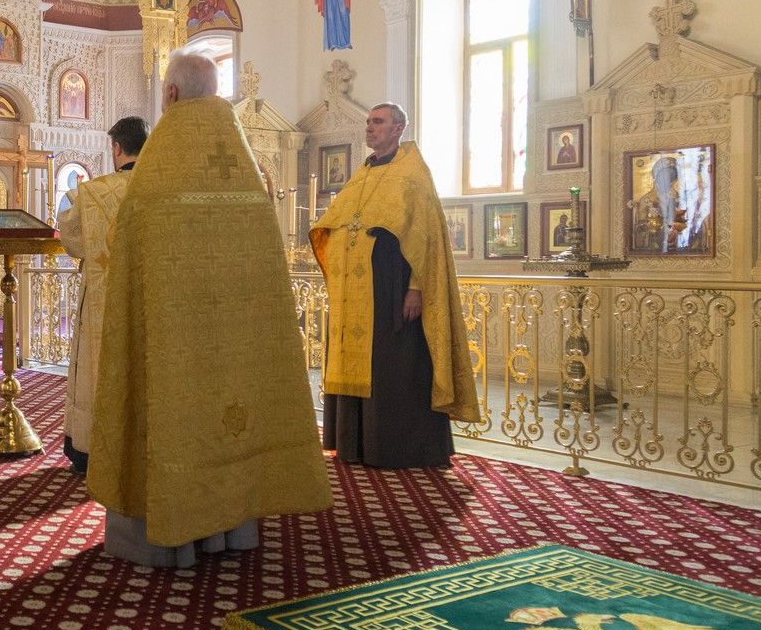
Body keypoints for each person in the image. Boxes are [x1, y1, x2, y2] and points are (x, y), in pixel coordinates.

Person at [88, 51, 331, 567]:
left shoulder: (163, 157)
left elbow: (122, 237)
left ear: (171, 94)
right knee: (229, 413)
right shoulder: (240, 158)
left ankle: (169, 541)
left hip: (175, 333)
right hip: (237, 330)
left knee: (175, 414)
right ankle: (233, 529)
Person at [310, 104, 478, 468]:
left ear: (398, 127)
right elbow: (341, 222)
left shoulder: (412, 174)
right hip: (356, 292)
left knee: (394, 367)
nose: (369, 129)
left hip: (393, 290)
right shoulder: (363, 173)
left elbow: (426, 239)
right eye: (369, 122)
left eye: (378, 122)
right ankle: (355, 445)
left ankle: (397, 446)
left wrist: (416, 287)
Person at [58, 116, 147, 476]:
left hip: (103, 298)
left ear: (116, 147)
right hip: (147, 297)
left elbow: (72, 238)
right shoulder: (160, 188)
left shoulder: (92, 193)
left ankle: (93, 450)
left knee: (97, 368)